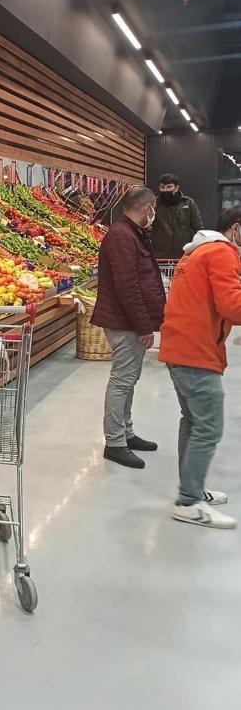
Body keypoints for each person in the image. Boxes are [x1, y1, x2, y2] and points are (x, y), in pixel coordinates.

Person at [158, 208, 241, 528]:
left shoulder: (196, 252)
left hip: (180, 347)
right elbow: (232, 306)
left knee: (193, 421)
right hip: (196, 351)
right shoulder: (221, 253)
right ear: (236, 228)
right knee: (208, 426)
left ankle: (191, 489)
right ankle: (189, 501)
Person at [91, 185, 166, 469]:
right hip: (124, 322)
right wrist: (144, 326)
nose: (154, 213)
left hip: (128, 320)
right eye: (153, 208)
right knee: (122, 380)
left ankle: (126, 433)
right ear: (148, 208)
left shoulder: (131, 233)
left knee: (129, 379)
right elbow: (128, 287)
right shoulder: (122, 236)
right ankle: (114, 442)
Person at [152, 173, 204, 259]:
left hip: (185, 254)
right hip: (160, 256)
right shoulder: (154, 204)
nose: (165, 190)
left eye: (169, 187)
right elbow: (147, 228)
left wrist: (195, 250)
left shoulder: (188, 203)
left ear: (176, 188)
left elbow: (198, 228)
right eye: (162, 187)